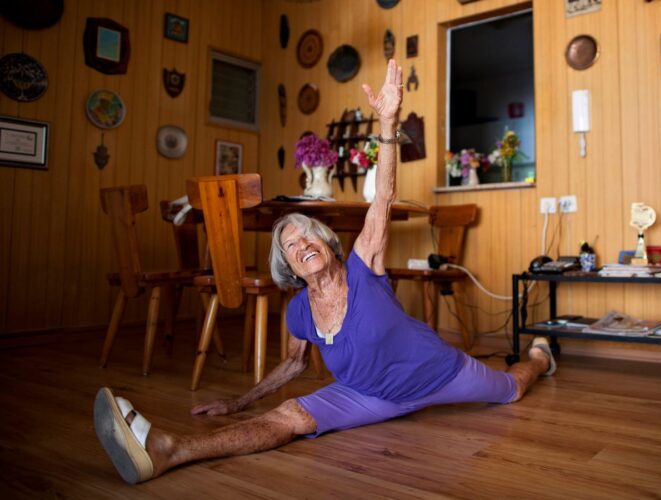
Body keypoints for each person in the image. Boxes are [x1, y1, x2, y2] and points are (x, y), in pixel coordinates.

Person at [93, 59, 556, 485]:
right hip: (367, 395)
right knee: (290, 416)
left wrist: (389, 122)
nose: (303, 245)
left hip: (441, 373)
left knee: (512, 388)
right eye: (291, 245)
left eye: (309, 236)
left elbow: (383, 199)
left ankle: (539, 357)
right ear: (288, 266)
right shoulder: (299, 311)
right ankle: (167, 449)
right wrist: (238, 402)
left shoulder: (364, 267)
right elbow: (293, 365)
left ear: (331, 245)